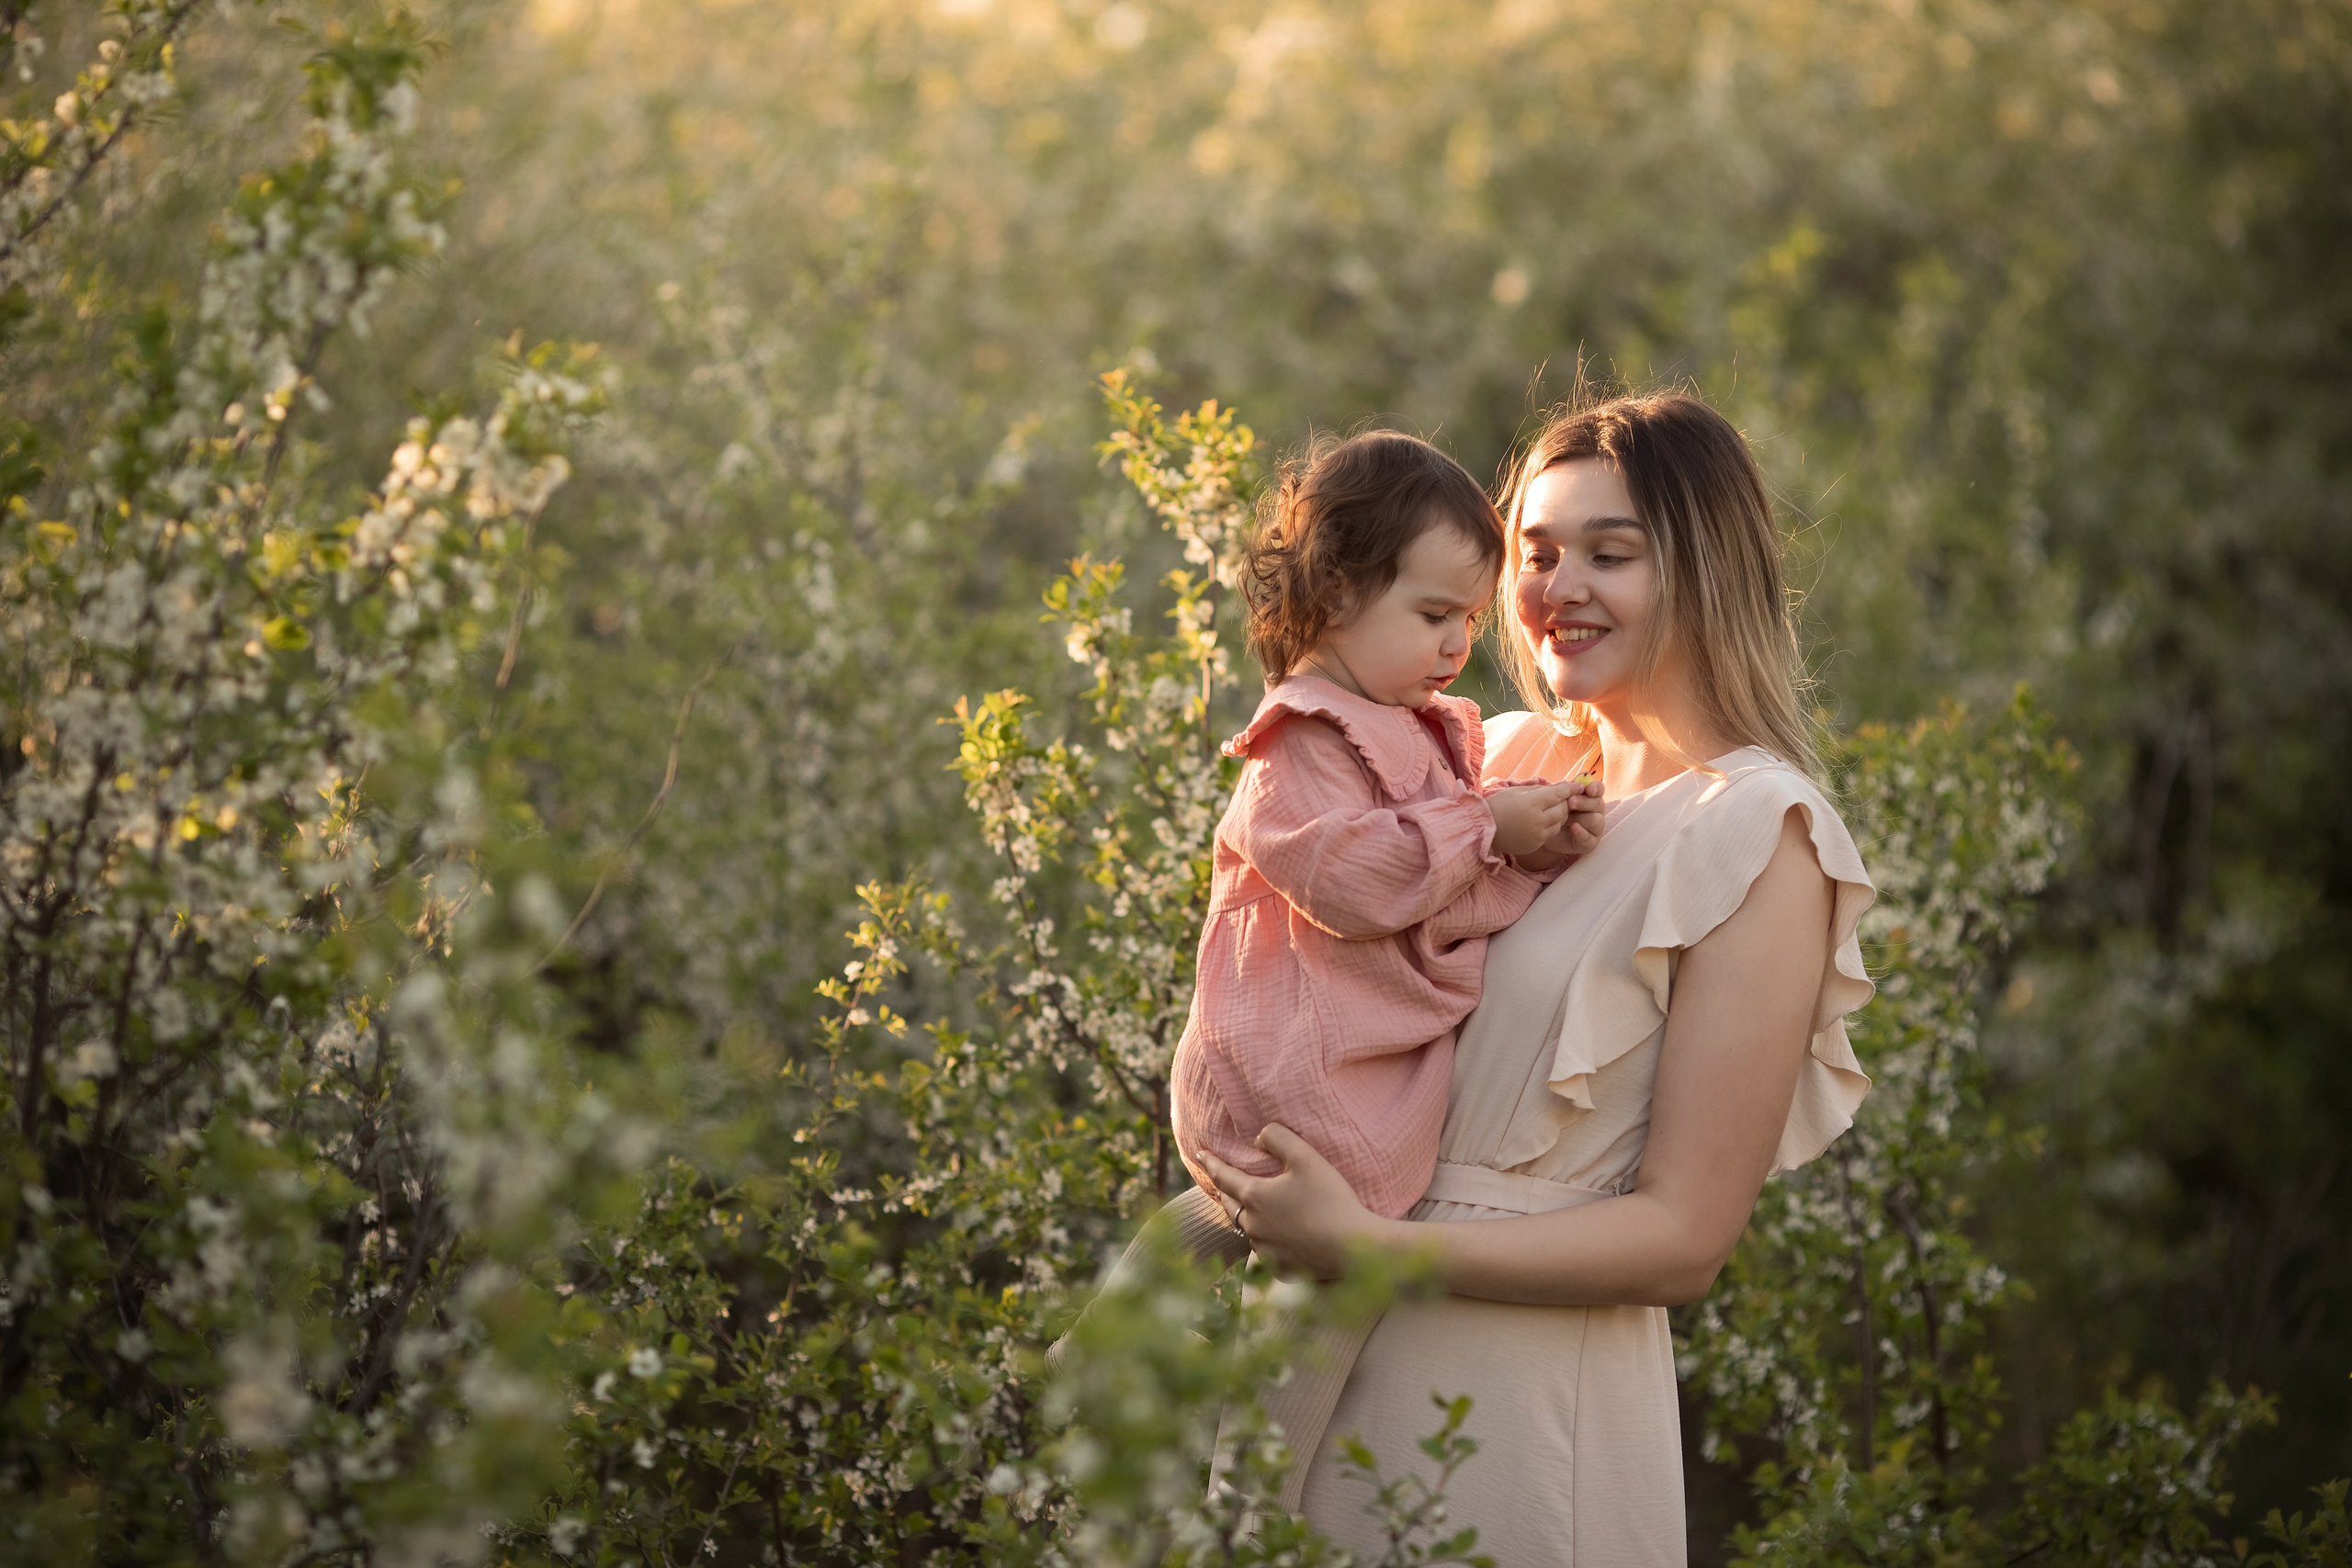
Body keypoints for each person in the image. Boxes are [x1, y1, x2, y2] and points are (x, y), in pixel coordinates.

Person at [1197, 392, 1879, 1565]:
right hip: (1327, 1347)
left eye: (1609, 555)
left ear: (1706, 570)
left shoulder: (1759, 834)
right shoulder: (1498, 758)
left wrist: (1370, 1251)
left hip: (1514, 1396)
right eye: (1534, 553)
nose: (1559, 588)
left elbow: (1683, 1238)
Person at [1072, 429, 1604, 1509]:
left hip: (1354, 1059)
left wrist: (1534, 853)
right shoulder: (1301, 738)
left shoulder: (1424, 728)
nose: (1459, 644)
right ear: (1331, 590)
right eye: (1431, 614)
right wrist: (1487, 827)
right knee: (1331, 1275)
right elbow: (1355, 881)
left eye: (1467, 618)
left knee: (1240, 1211)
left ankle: (1096, 1366)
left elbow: (1445, 898)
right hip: (1307, 1062)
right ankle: (1249, 1503)